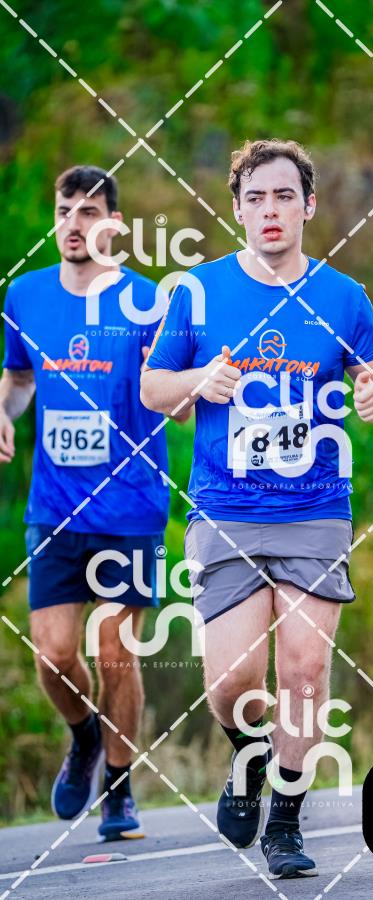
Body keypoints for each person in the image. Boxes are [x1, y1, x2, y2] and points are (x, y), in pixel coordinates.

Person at [141, 139, 373, 878]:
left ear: (307, 206)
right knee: (232, 683)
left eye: (284, 196)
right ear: (237, 209)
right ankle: (249, 753)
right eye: (255, 198)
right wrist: (199, 380)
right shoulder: (199, 291)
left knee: (305, 672)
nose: (270, 210)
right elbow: (153, 389)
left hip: (316, 507)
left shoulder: (342, 297)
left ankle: (285, 822)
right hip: (225, 508)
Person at [0, 166, 175, 840]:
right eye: (64, 209)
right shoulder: (26, 294)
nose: (74, 223)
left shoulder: (146, 302)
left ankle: (120, 792)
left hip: (130, 507)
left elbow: (169, 390)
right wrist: (3, 411)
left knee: (113, 651)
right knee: (51, 655)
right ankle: (84, 737)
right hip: (54, 508)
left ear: (115, 225)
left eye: (89, 211)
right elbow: (19, 378)